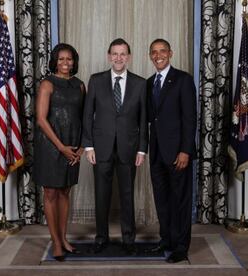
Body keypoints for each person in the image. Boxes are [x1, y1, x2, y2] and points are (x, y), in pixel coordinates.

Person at [82, 38, 147, 255]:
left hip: (129, 148)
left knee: (128, 195)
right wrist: (89, 146)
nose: (119, 58)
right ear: (109, 56)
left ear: (128, 57)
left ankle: (129, 239)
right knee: (102, 195)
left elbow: (143, 119)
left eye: (123, 54)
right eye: (115, 54)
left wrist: (141, 149)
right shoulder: (96, 80)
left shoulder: (140, 83)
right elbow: (87, 115)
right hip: (100, 148)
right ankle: (101, 238)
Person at [145, 38, 196, 263]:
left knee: (180, 201)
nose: (158, 55)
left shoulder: (183, 80)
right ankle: (166, 238)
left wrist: (185, 150)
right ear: (150, 56)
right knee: (162, 199)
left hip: (177, 153)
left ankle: (181, 247)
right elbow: (150, 118)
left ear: (170, 53)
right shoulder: (149, 83)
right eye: (154, 52)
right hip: (156, 152)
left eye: (162, 51)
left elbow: (190, 118)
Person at [33, 43, 85, 261]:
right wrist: (61, 147)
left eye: (69, 59)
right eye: (61, 59)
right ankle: (55, 241)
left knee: (65, 191)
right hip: (50, 146)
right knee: (51, 193)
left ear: (74, 61)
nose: (66, 63)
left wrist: (81, 147)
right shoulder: (47, 84)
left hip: (72, 146)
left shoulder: (80, 85)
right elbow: (41, 120)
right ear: (55, 60)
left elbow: (84, 118)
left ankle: (64, 238)